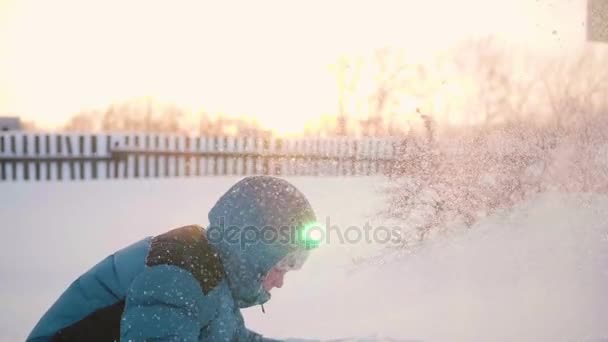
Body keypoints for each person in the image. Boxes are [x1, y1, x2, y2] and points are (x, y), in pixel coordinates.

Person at [27, 175, 319, 341]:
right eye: (283, 265)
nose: (280, 281)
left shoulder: (213, 278)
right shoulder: (177, 273)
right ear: (254, 249)